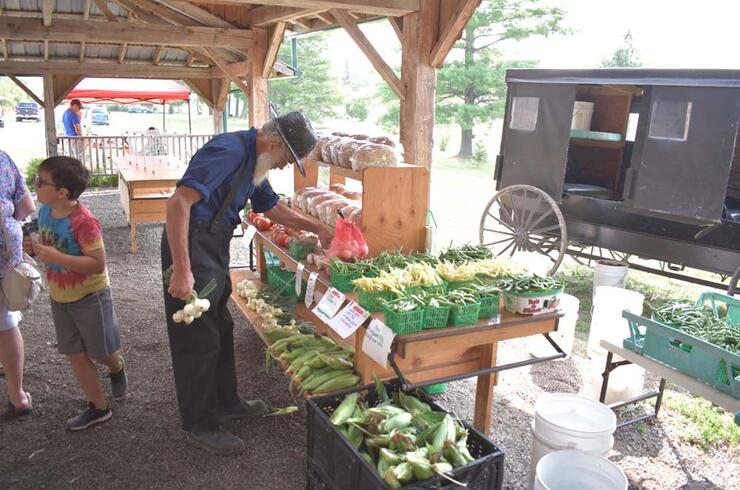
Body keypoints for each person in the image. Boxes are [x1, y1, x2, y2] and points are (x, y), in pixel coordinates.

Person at [163, 111, 333, 455]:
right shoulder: (229, 150)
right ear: (273, 142)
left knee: (220, 326)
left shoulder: (257, 161)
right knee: (197, 336)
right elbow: (178, 203)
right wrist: (182, 269)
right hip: (193, 244)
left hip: (213, 243)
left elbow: (270, 208)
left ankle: (226, 401)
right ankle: (200, 424)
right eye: (288, 158)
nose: (286, 166)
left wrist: (320, 228)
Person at [29, 156, 128, 430]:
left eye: (40, 182)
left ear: (62, 192)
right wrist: (34, 247)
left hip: (90, 297)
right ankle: (98, 407)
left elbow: (98, 264)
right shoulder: (46, 211)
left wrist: (56, 256)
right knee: (74, 352)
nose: (35, 185)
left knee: (100, 352)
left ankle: (116, 367)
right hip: (59, 296)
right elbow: (47, 244)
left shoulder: (84, 222)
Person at [0, 149, 36, 418]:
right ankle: (17, 396)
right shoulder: (2, 159)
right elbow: (26, 208)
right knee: (4, 322)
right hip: (4, 257)